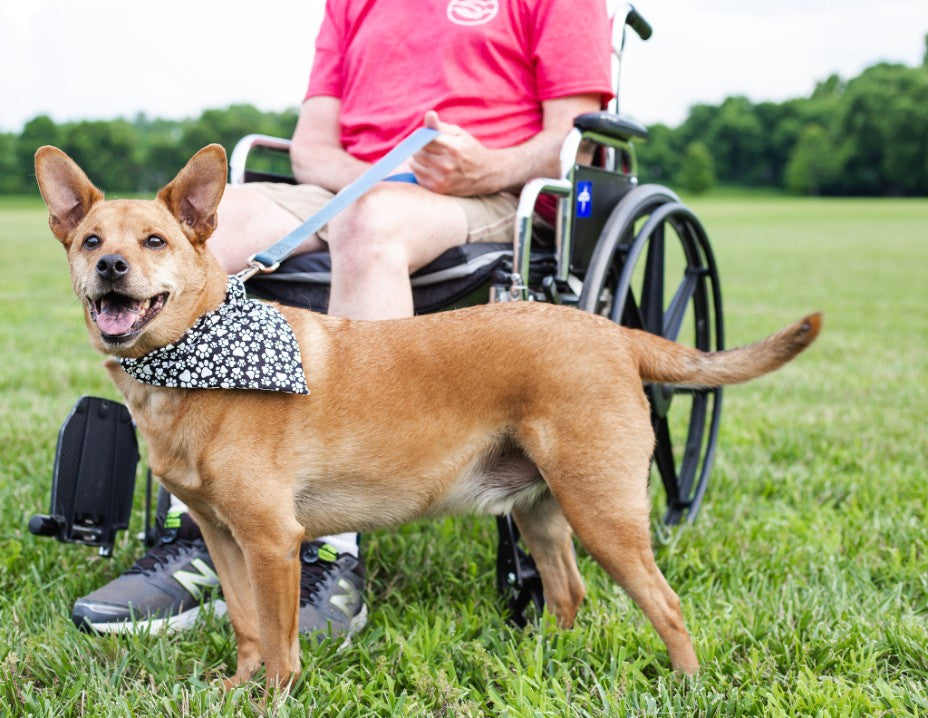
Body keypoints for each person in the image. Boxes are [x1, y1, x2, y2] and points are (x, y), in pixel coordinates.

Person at [72, 0, 613, 640]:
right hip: (353, 184)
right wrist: (367, 180)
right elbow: (311, 146)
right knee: (212, 229)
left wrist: (486, 166)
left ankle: (335, 551)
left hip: (488, 187)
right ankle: (199, 529)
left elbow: (576, 135)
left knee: (370, 224)